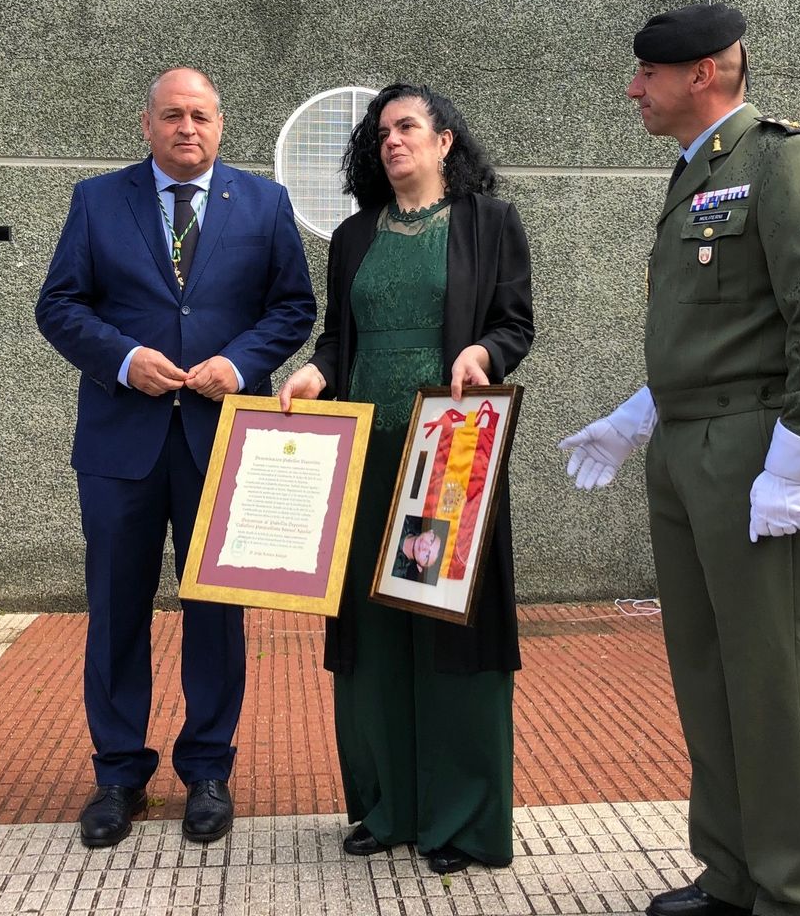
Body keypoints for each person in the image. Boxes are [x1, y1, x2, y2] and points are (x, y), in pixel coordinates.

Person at [559, 3, 800, 916]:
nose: (634, 89)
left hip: (754, 451)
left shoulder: (782, 159)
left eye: (648, 73)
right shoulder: (696, 172)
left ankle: (792, 892)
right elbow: (723, 325)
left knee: (773, 682)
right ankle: (732, 871)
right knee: (706, 669)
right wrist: (639, 412)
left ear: (702, 73)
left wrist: (797, 459)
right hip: (687, 445)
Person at [35, 67, 315, 849]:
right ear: (146, 124)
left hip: (222, 439)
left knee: (217, 611)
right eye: (171, 116)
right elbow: (58, 305)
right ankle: (118, 773)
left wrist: (241, 360)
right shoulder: (98, 200)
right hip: (122, 443)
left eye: (199, 116)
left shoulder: (263, 203)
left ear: (221, 124)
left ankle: (207, 771)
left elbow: (293, 306)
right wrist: (123, 359)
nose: (186, 128)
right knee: (116, 609)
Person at [277, 82, 533, 876]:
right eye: (382, 131)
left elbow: (514, 320)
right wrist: (317, 372)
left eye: (409, 127)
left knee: (447, 625)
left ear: (444, 140)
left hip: (448, 454)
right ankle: (385, 807)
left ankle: (459, 819)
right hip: (363, 458)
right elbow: (336, 337)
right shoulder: (353, 236)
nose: (393, 141)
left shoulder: (490, 222)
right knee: (373, 635)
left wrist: (483, 354)